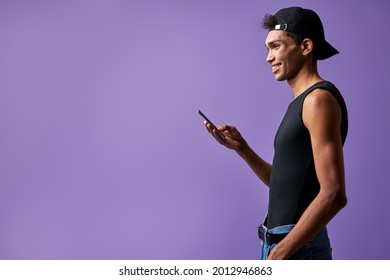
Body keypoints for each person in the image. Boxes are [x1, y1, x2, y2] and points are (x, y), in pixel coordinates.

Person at [203, 6, 348, 260]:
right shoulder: (302, 103)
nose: (268, 57)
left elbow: (334, 194)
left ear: (305, 47)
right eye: (267, 49)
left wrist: (283, 250)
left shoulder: (318, 100)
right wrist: (243, 149)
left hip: (297, 248)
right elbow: (283, 184)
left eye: (276, 46)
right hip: (280, 243)